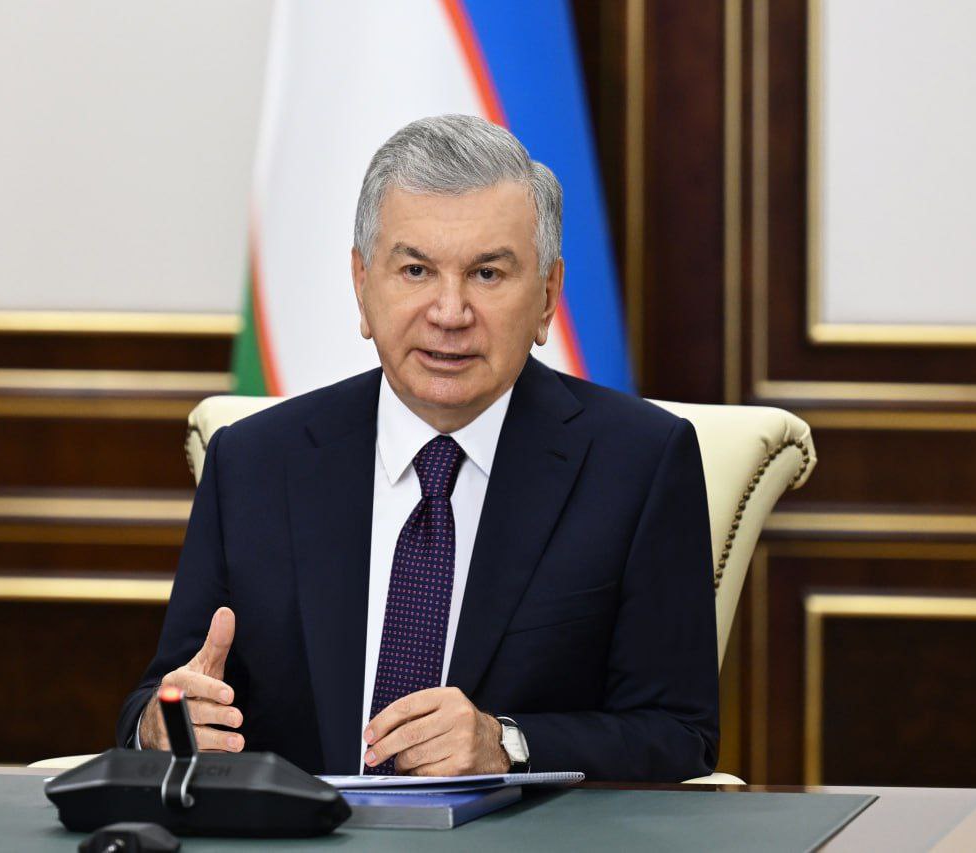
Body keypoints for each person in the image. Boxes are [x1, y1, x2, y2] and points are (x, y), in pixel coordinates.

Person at [117, 114, 719, 781]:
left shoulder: (639, 463)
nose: (449, 312)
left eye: (487, 273)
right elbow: (157, 702)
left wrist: (508, 744)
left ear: (548, 296)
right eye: (416, 270)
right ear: (362, 284)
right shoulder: (255, 462)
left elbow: (678, 734)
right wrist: (165, 725)